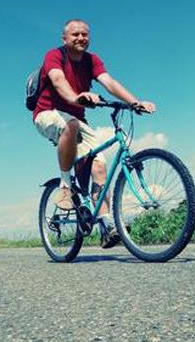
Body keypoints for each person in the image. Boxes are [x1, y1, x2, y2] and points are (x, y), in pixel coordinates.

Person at [33, 19, 156, 248]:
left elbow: (108, 82)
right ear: (65, 38)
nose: (81, 38)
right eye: (75, 34)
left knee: (99, 163)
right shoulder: (55, 55)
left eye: (85, 34)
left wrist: (134, 102)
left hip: (77, 119)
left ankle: (106, 226)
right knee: (71, 126)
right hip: (47, 114)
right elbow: (58, 81)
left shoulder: (92, 60)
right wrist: (76, 97)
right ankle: (64, 185)